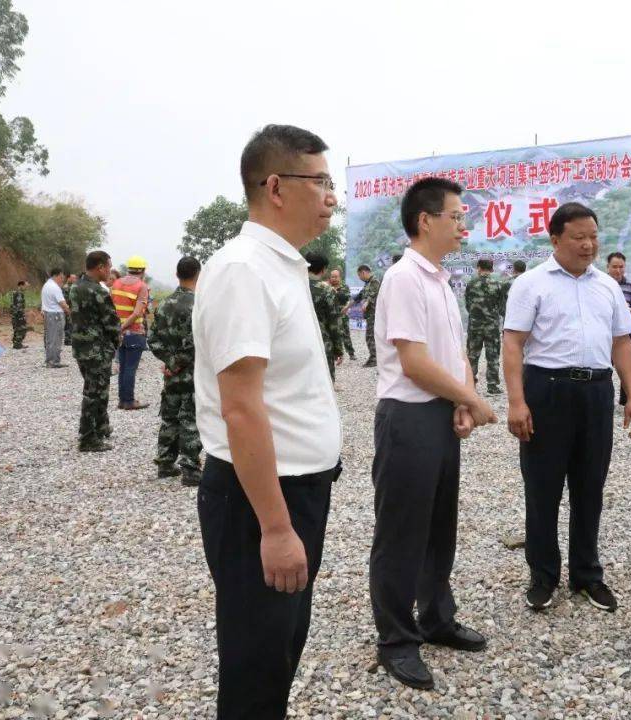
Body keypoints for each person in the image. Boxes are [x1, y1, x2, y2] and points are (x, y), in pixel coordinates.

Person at [193, 124, 342, 719]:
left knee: (279, 651)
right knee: (257, 662)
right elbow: (242, 407)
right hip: (262, 500)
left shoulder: (284, 266)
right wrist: (277, 530)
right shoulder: (243, 270)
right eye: (322, 181)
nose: (333, 196)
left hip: (297, 489)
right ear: (276, 186)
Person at [369, 177, 497, 691]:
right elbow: (415, 363)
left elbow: (456, 353)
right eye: (456, 217)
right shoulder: (404, 278)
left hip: (442, 414)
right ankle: (397, 639)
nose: (464, 226)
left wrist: (463, 397)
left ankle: (437, 617)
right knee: (402, 532)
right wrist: (472, 400)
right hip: (408, 417)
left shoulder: (441, 281)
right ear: (426, 221)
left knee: (440, 524)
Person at [503, 202, 631, 614]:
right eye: (579, 237)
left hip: (596, 393)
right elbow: (512, 343)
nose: (588, 245)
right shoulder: (531, 284)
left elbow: (622, 342)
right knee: (542, 488)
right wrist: (517, 402)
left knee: (590, 487)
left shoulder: (607, 286)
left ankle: (587, 575)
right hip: (547, 390)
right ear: (556, 240)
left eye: (594, 236)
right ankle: (543, 576)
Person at [150, 256, 203, 486]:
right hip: (192, 371)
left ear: (177, 274)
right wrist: (179, 362)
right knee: (190, 416)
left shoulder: (163, 304)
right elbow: (196, 341)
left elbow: (152, 339)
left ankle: (165, 462)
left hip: (172, 374)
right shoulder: (198, 304)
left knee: (170, 416)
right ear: (198, 274)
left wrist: (170, 362)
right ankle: (190, 468)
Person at [69, 251, 121, 453]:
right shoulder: (99, 292)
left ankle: (101, 427)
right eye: (108, 266)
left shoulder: (75, 287)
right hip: (97, 349)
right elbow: (111, 323)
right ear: (100, 267)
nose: (109, 271)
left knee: (94, 389)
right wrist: (115, 342)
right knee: (96, 393)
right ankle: (88, 438)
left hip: (81, 348)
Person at [111, 256, 151, 410]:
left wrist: (117, 329)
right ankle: (128, 401)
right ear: (143, 271)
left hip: (119, 333)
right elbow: (136, 313)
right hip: (134, 332)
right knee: (130, 368)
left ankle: (122, 399)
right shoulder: (142, 286)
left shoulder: (116, 284)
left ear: (128, 269)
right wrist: (123, 327)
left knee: (123, 365)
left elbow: (112, 308)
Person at [606, 252, 631, 404]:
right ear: (607, 267)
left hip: (626, 331)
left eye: (621, 267)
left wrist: (619, 309)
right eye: (614, 266)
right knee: (605, 366)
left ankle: (628, 399)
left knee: (629, 366)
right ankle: (606, 398)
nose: (618, 270)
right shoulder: (600, 284)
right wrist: (625, 308)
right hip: (605, 332)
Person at [464, 258, 505, 394]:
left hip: (475, 324)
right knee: (493, 355)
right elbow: (501, 307)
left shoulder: (471, 283)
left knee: (472, 355)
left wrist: (476, 314)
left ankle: (470, 385)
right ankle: (492, 386)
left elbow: (467, 305)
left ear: (478, 267)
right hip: (492, 326)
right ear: (492, 269)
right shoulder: (498, 285)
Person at [306, 253, 344, 381]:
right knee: (325, 382)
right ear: (323, 270)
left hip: (297, 343)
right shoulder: (327, 290)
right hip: (322, 342)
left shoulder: (294, 285)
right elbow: (334, 323)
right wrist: (338, 349)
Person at [41, 268, 70, 368]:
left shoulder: (46, 285)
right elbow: (63, 303)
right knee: (56, 339)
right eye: (61, 277)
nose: (62, 279)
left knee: (50, 339)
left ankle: (50, 360)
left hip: (49, 314)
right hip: (56, 315)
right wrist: (70, 312)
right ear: (57, 275)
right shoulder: (54, 287)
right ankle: (54, 362)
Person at [353, 264, 381, 367]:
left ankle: (374, 358)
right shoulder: (367, 284)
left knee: (370, 337)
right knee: (371, 336)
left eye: (359, 275)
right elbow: (358, 297)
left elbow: (372, 294)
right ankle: (375, 357)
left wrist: (367, 302)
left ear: (363, 272)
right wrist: (347, 307)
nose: (359, 278)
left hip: (374, 314)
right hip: (370, 315)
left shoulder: (374, 281)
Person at [329, 269, 357, 361]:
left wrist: (335, 292)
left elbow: (344, 297)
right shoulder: (327, 286)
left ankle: (351, 353)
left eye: (336, 277)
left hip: (342, 314)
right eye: (332, 277)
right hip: (331, 314)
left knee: (345, 334)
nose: (334, 279)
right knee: (332, 334)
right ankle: (336, 354)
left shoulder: (344, 287)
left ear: (339, 277)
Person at [10, 280, 30, 349]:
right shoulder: (19, 294)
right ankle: (18, 344)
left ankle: (16, 343)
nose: (26, 288)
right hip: (18, 314)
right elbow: (18, 306)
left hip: (15, 314)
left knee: (17, 329)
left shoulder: (15, 292)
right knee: (22, 329)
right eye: (25, 286)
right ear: (21, 285)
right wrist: (21, 315)